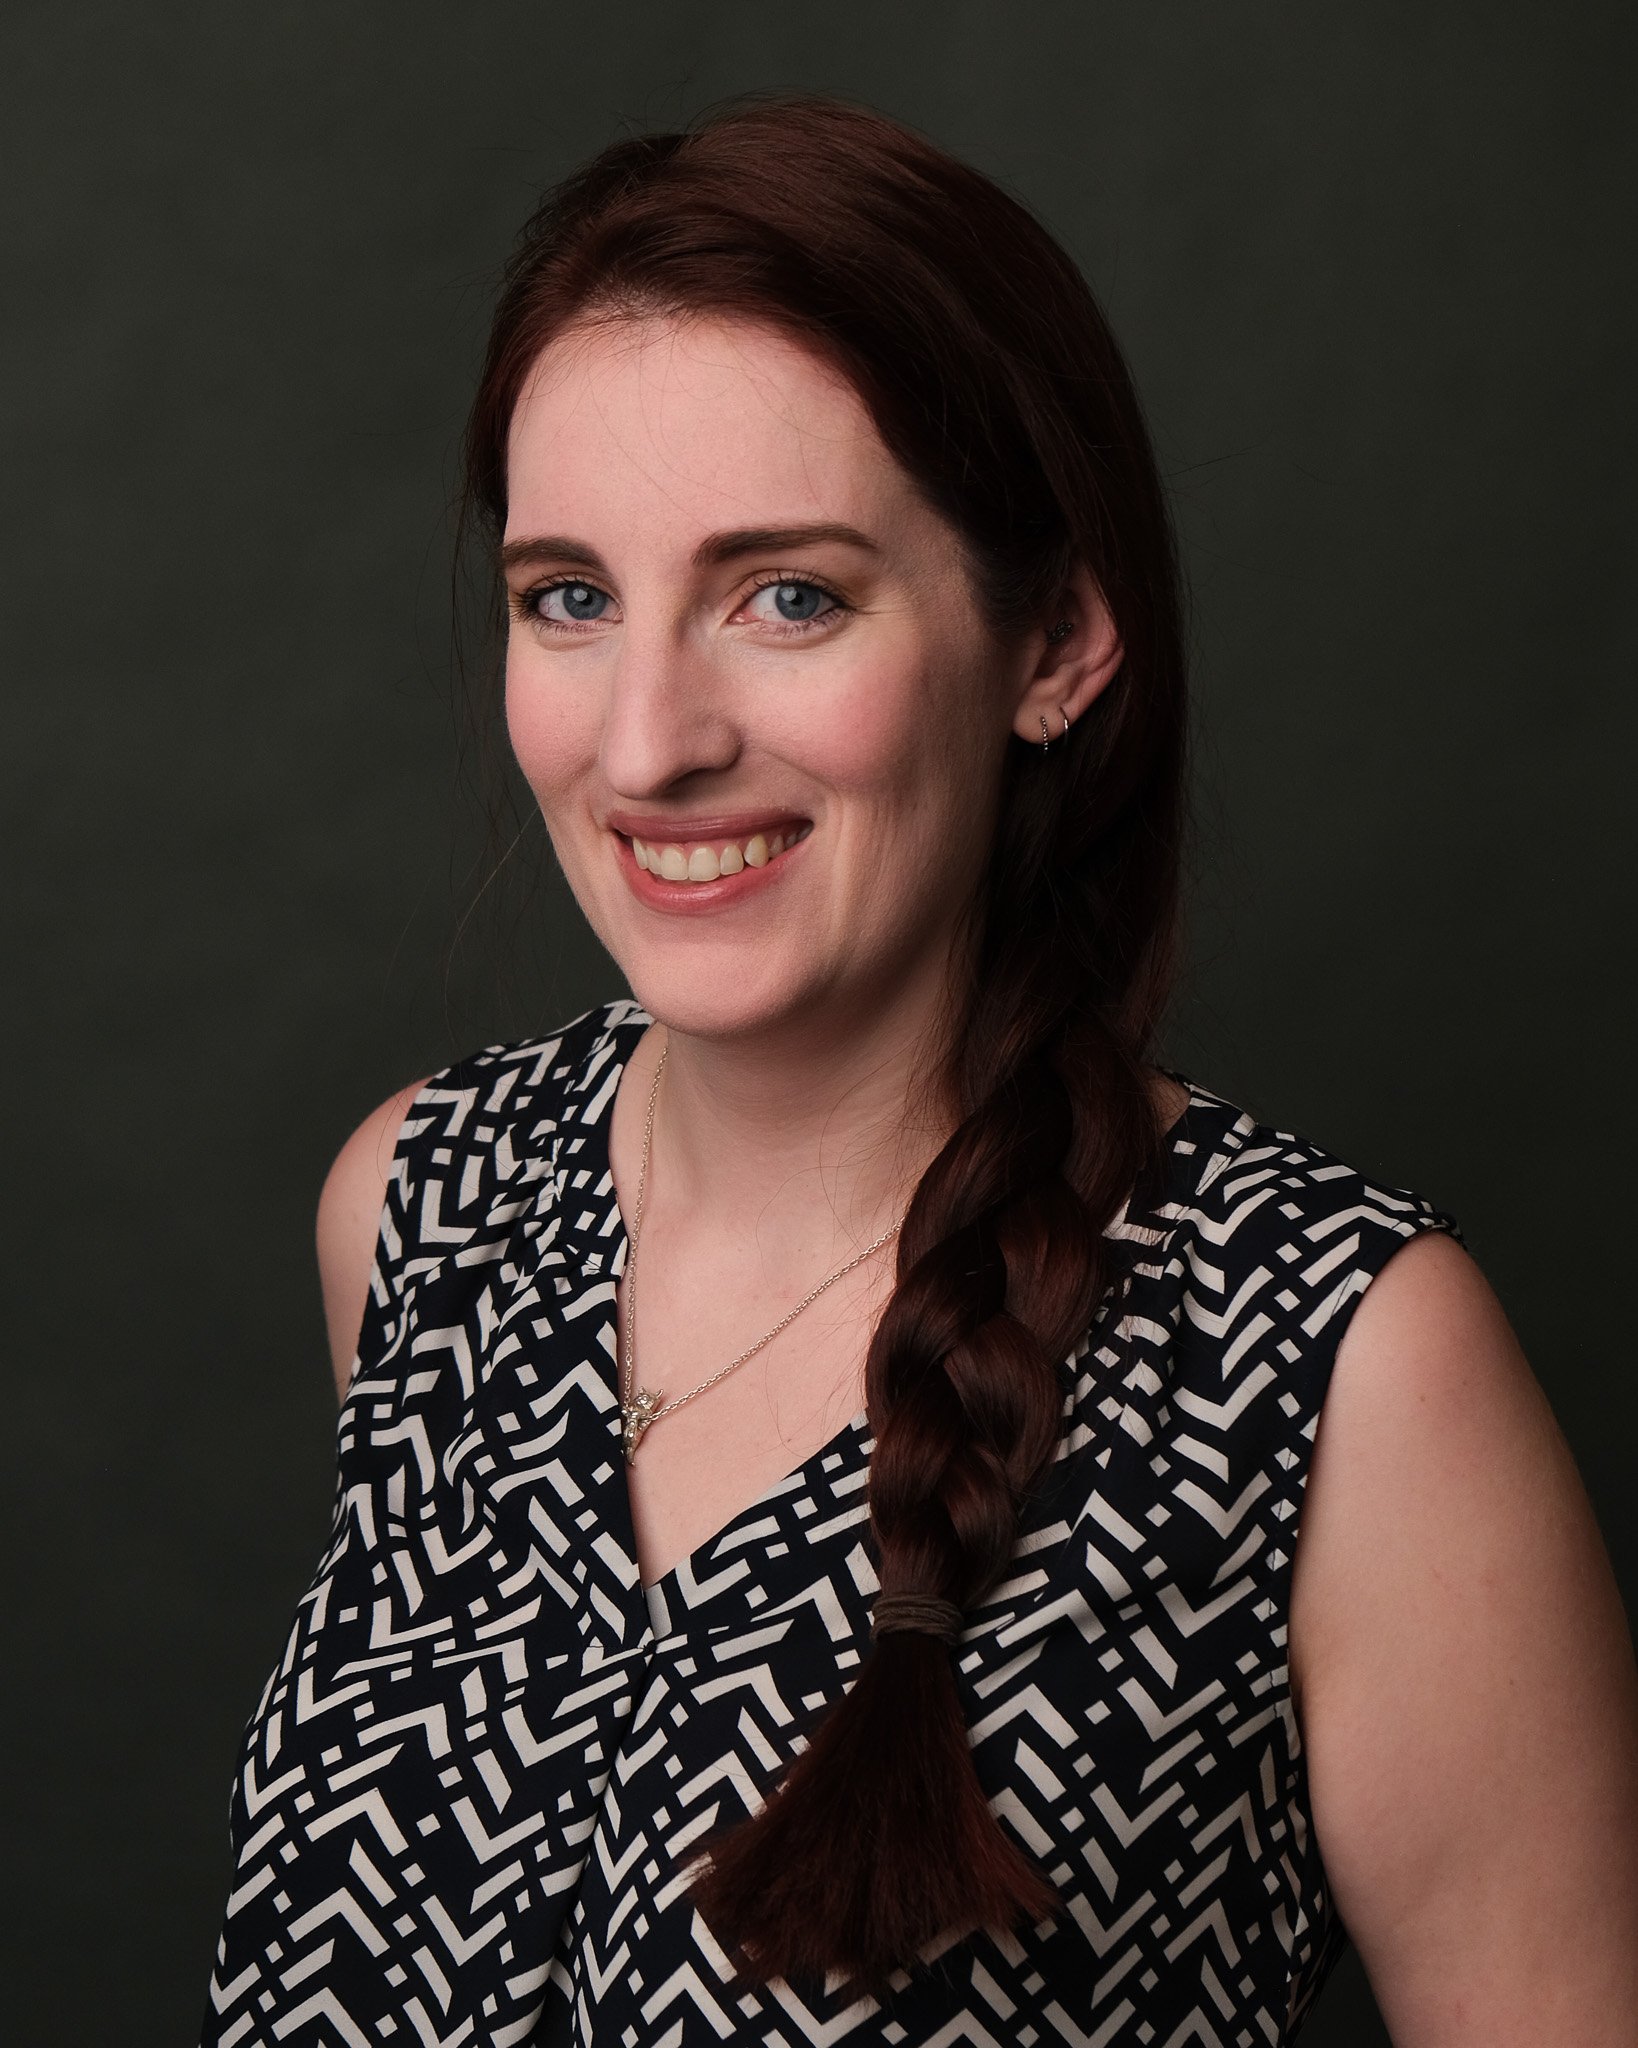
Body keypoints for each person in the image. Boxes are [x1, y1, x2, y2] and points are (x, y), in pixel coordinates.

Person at [199, 97, 1638, 2047]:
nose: (647, 743)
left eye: (787, 594)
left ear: (1055, 637)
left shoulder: (1342, 1364)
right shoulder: (420, 1206)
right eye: (571, 597)